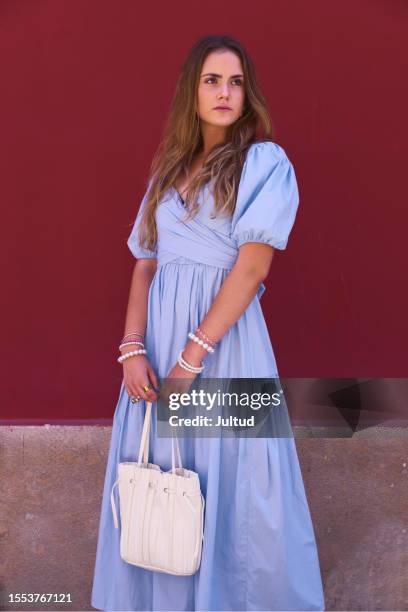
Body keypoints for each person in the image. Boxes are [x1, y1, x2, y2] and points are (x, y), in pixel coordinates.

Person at [91, 34, 325, 612]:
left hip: (224, 345)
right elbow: (145, 264)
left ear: (249, 95)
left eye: (237, 82)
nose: (225, 92)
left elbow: (251, 269)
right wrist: (130, 348)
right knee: (161, 472)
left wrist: (191, 359)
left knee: (236, 474)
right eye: (212, 80)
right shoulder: (167, 171)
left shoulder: (262, 161)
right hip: (158, 343)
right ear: (190, 93)